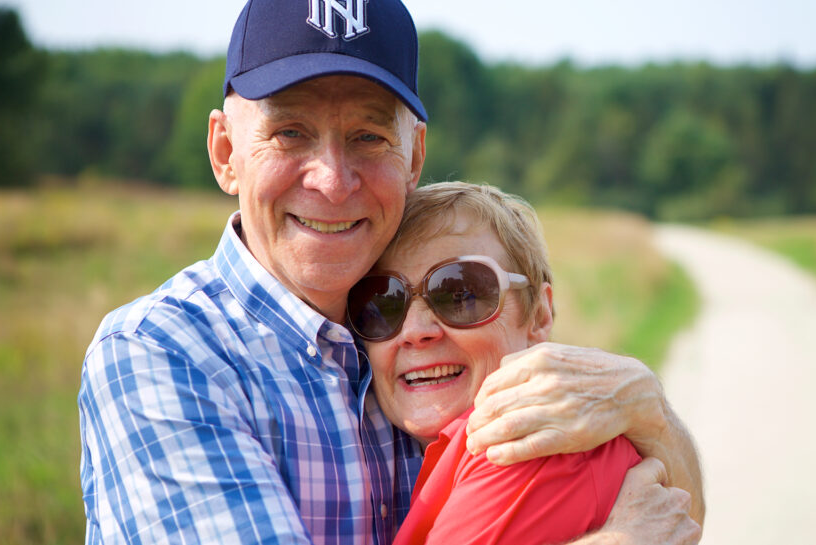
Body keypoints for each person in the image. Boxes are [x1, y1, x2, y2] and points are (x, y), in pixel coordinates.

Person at [77, 1, 703, 543]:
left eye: (369, 136)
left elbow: (676, 519)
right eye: (290, 132)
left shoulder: (418, 353)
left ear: (415, 157)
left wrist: (649, 408)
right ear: (225, 153)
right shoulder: (162, 354)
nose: (332, 179)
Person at [348, 181, 700, 544]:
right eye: (383, 302)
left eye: (461, 295)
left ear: (538, 315)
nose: (415, 330)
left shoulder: (522, 447)